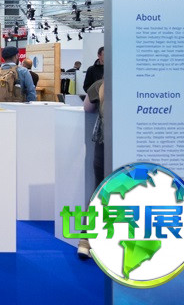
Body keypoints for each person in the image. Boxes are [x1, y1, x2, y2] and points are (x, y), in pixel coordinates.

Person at [77, 78, 105, 260]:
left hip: (105, 146)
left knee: (99, 192)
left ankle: (85, 241)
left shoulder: (101, 84)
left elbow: (87, 108)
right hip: (135, 147)